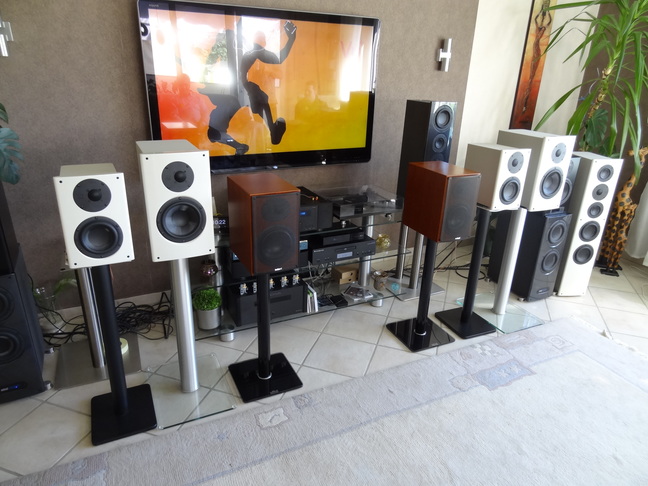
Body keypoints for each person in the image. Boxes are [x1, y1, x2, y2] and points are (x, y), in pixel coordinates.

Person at [239, 20, 297, 145]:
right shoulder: (249, 56)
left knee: (268, 128)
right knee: (260, 127)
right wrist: (253, 90)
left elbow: (279, 73)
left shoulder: (266, 56)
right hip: (259, 98)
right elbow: (242, 77)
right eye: (258, 39)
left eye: (261, 39)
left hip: (267, 98)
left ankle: (272, 137)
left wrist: (291, 39)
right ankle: (267, 141)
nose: (259, 42)